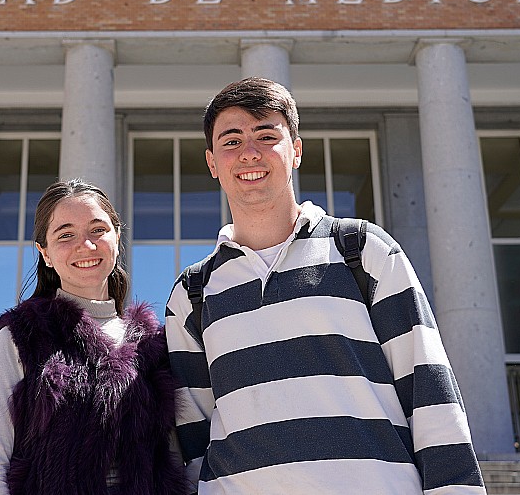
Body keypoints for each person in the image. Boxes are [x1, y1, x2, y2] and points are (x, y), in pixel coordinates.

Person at [165, 77, 486, 494]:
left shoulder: (364, 251)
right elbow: (193, 439)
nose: (249, 152)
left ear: (296, 150)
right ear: (212, 163)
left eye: (267, 136)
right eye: (232, 141)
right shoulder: (192, 293)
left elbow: (430, 393)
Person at [0, 179, 186, 495]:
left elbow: (176, 461)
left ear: (117, 237)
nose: (86, 245)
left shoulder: (152, 344)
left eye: (98, 230)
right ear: (45, 253)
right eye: (66, 235)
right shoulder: (22, 336)